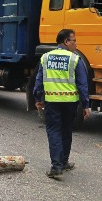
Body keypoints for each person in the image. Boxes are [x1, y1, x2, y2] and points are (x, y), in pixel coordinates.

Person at [33, 29, 90, 179]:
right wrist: (85, 105)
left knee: (54, 132)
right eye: (74, 40)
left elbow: (39, 80)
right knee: (66, 131)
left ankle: (57, 166)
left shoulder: (45, 57)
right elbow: (83, 84)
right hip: (70, 103)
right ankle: (63, 162)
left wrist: (38, 98)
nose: (76, 44)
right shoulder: (75, 59)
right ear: (66, 41)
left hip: (52, 102)